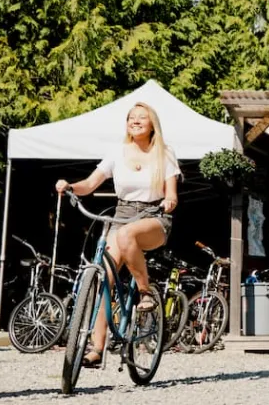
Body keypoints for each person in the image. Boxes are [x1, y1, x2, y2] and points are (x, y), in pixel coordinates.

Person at [56, 102, 179, 366]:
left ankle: (145, 292)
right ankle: (96, 348)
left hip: (154, 216)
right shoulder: (117, 152)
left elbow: (171, 195)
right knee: (104, 278)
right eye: (131, 118)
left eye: (142, 118)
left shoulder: (164, 154)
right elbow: (89, 184)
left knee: (126, 236)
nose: (135, 121)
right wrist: (69, 186)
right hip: (122, 213)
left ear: (152, 124)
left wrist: (169, 201)